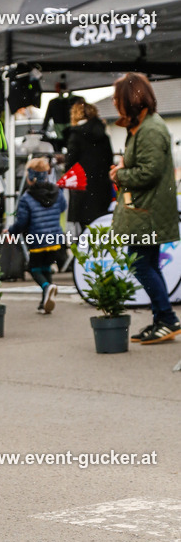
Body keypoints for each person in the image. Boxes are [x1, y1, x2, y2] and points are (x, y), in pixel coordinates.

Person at [110, 73, 181, 344]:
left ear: (130, 99)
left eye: (118, 98)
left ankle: (167, 318)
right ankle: (162, 321)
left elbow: (148, 173)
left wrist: (119, 175)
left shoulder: (150, 129)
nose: (116, 103)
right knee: (148, 263)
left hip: (147, 212)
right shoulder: (144, 125)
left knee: (140, 263)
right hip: (146, 210)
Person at [5, 157, 66, 314]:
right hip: (55, 238)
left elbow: (22, 221)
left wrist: (11, 231)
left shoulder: (27, 197)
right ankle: (44, 303)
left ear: (31, 177)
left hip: (37, 239)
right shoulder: (56, 191)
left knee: (33, 268)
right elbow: (62, 208)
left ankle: (47, 288)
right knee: (46, 267)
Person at [64, 101, 113, 234]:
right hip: (102, 189)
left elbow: (70, 163)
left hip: (83, 190)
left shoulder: (76, 135)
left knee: (84, 233)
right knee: (101, 229)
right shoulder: (104, 136)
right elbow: (109, 161)